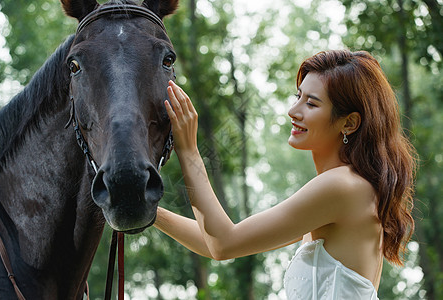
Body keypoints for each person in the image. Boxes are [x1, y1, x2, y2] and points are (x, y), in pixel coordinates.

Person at [154, 50, 417, 299]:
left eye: (311, 104)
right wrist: (148, 211)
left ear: (348, 123)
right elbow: (212, 242)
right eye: (298, 96)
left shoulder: (343, 186)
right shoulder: (345, 190)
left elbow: (224, 243)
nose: (293, 111)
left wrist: (189, 150)